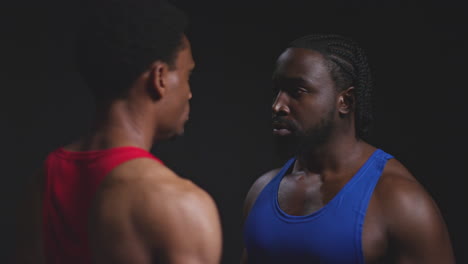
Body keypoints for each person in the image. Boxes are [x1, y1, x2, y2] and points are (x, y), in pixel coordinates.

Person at [12, 0, 222, 263]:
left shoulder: (41, 184)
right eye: (187, 75)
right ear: (159, 78)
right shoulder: (178, 204)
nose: (189, 92)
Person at [241, 34, 454, 263]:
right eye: (277, 91)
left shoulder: (400, 201)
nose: (278, 106)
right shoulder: (261, 192)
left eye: (297, 92)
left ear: (346, 101)